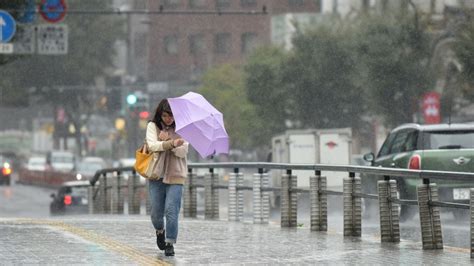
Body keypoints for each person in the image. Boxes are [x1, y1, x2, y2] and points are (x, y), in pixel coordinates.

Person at [146, 99, 188, 256]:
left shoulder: (183, 128)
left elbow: (182, 152)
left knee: (172, 210)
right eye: (165, 116)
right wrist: (170, 143)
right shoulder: (153, 127)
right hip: (156, 175)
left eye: (171, 116)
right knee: (156, 214)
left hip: (176, 175)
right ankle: (159, 230)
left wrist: (171, 144)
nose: (168, 119)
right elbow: (152, 146)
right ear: (160, 115)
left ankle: (170, 242)